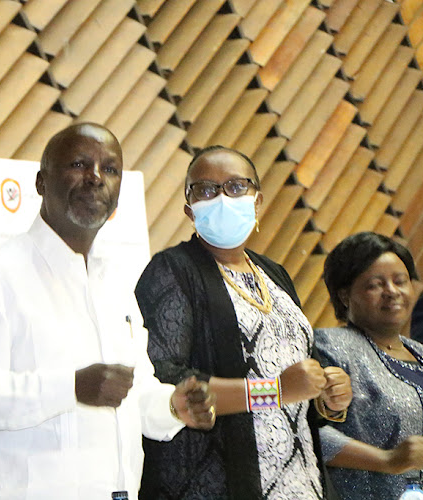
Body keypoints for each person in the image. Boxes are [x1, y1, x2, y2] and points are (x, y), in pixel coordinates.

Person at [0, 122, 216, 499]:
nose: (96, 178)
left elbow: (133, 392)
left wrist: (172, 405)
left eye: (110, 169)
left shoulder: (116, 286)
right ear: (41, 182)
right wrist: (69, 387)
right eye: (79, 165)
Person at [134, 145, 351, 499]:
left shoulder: (275, 273)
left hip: (302, 482)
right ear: (189, 210)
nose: (221, 198)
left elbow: (290, 372)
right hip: (224, 484)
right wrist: (273, 392)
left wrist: (326, 396)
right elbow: (162, 377)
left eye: (236, 186)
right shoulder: (172, 270)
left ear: (257, 201)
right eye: (205, 190)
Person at [315, 232, 423, 499]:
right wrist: (387, 459)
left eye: (400, 281)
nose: (392, 292)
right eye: (376, 285)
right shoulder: (330, 346)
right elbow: (309, 431)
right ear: (345, 296)